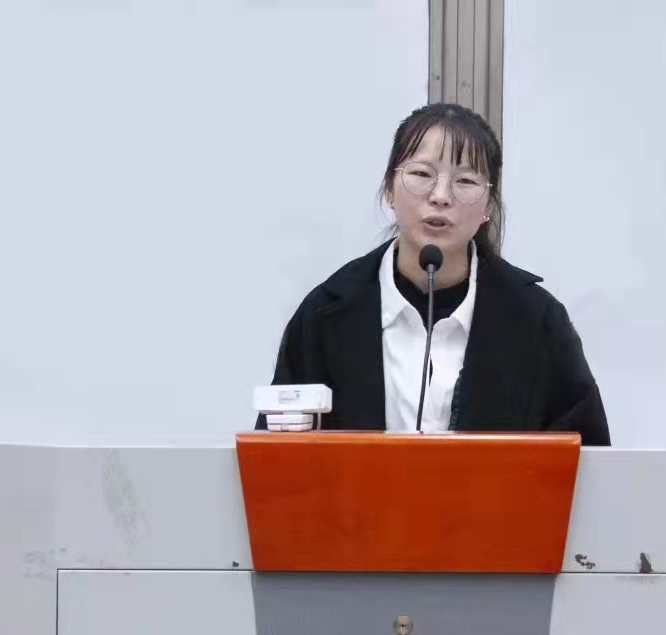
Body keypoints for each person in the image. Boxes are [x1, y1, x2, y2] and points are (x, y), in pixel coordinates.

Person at [256, 103, 610, 445]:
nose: (440, 196)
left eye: (465, 181)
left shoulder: (536, 320)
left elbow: (587, 458)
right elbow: (277, 454)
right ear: (389, 188)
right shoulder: (325, 315)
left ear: (488, 205)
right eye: (422, 174)